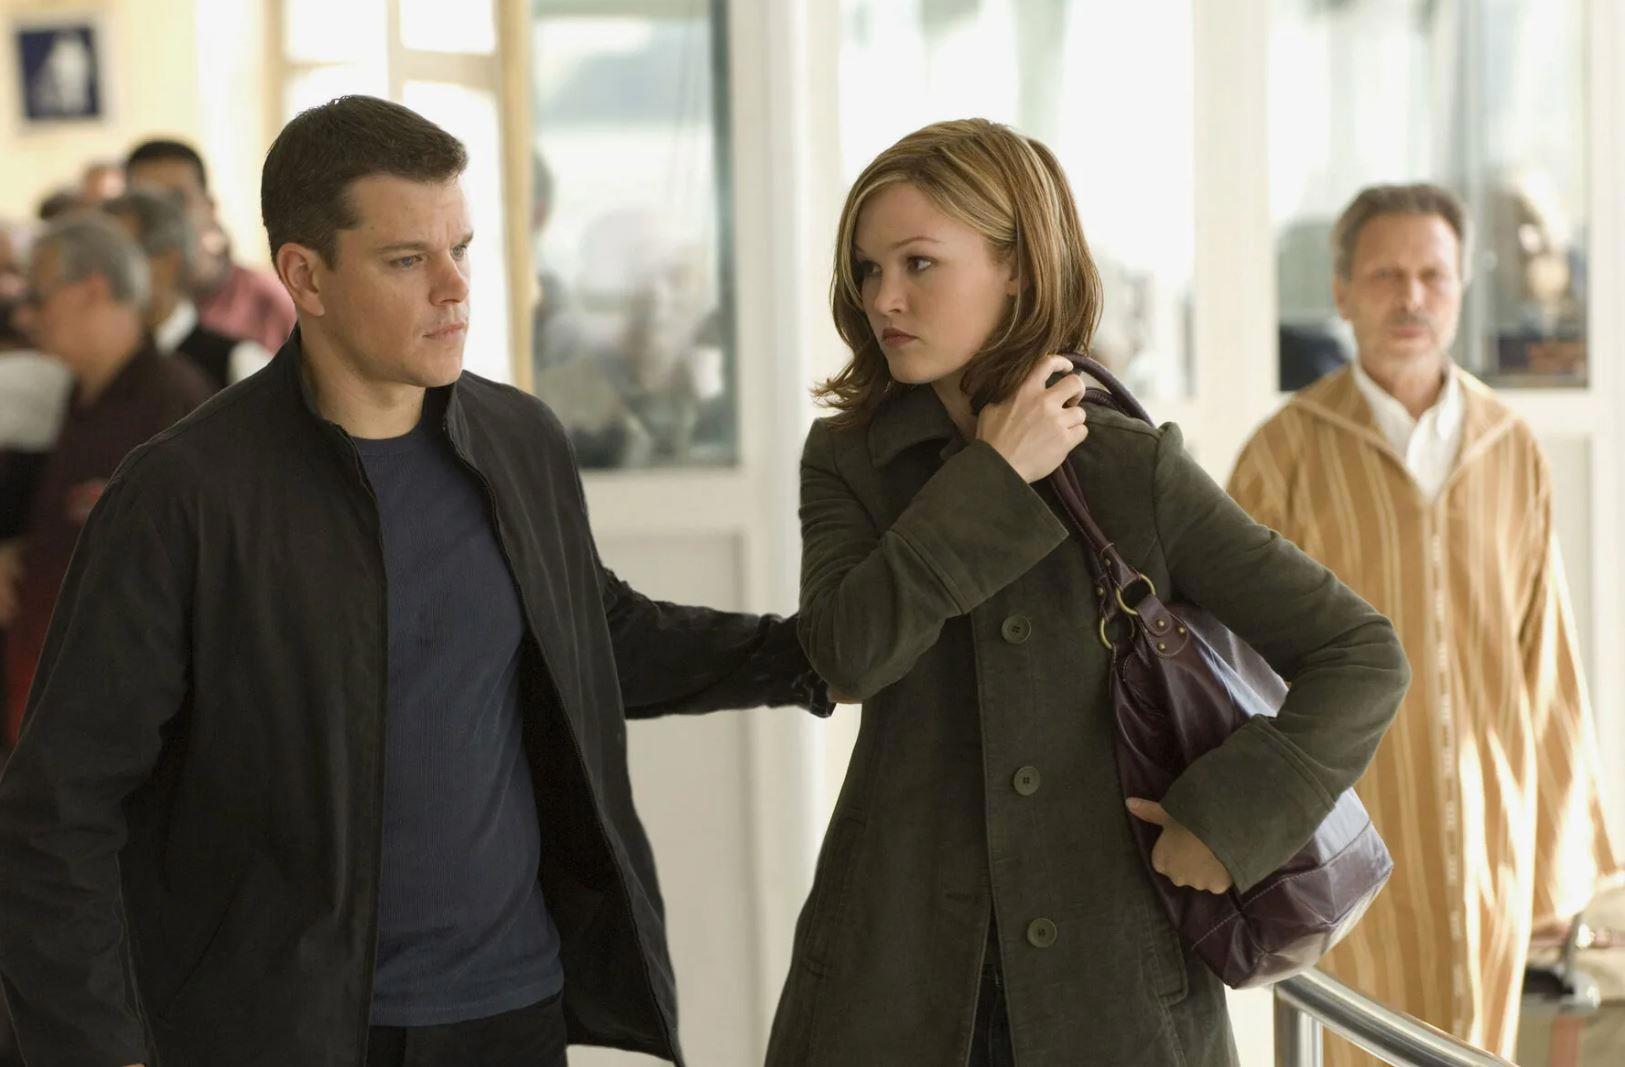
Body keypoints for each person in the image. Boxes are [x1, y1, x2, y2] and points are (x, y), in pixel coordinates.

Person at [0, 96, 830, 1067]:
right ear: (304, 275)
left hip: (510, 1011)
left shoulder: (519, 441)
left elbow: (594, 635)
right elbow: (58, 804)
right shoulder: (184, 492)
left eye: (460, 249)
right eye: (406, 260)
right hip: (281, 1030)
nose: (455, 288)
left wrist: (811, 654)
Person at [767, 118, 1409, 1066]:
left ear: (1017, 268)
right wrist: (990, 478)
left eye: (918, 263)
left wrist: (1228, 819)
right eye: (867, 269)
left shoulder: (1125, 466)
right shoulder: (849, 458)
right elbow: (844, 657)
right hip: (894, 982)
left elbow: (1360, 653)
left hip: (1115, 996)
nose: (883, 298)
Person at [1227, 182, 1621, 1064]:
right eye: (1384, 275)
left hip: (1487, 841)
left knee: (1474, 1048)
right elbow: (1229, 661)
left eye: (1432, 275)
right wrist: (1243, 828)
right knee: (1353, 1045)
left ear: (1459, 288)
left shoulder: (1508, 445)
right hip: (1336, 837)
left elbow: (1546, 657)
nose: (1410, 297)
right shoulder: (1284, 452)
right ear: (1341, 291)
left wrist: (1556, 861)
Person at [0, 213, 211, 748]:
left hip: (114, 727)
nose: (26, 315)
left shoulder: (172, 404)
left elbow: (191, 581)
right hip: (50, 708)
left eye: (38, 296)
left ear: (92, 290)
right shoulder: (80, 392)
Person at [125, 137, 297, 353]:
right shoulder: (111, 311)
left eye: (176, 200)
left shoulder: (271, 304)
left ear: (209, 208)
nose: (162, 217)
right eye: (145, 205)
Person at [103, 187, 271, 390]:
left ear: (167, 264)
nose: (99, 279)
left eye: (116, 261)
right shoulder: (97, 368)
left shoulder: (237, 362)